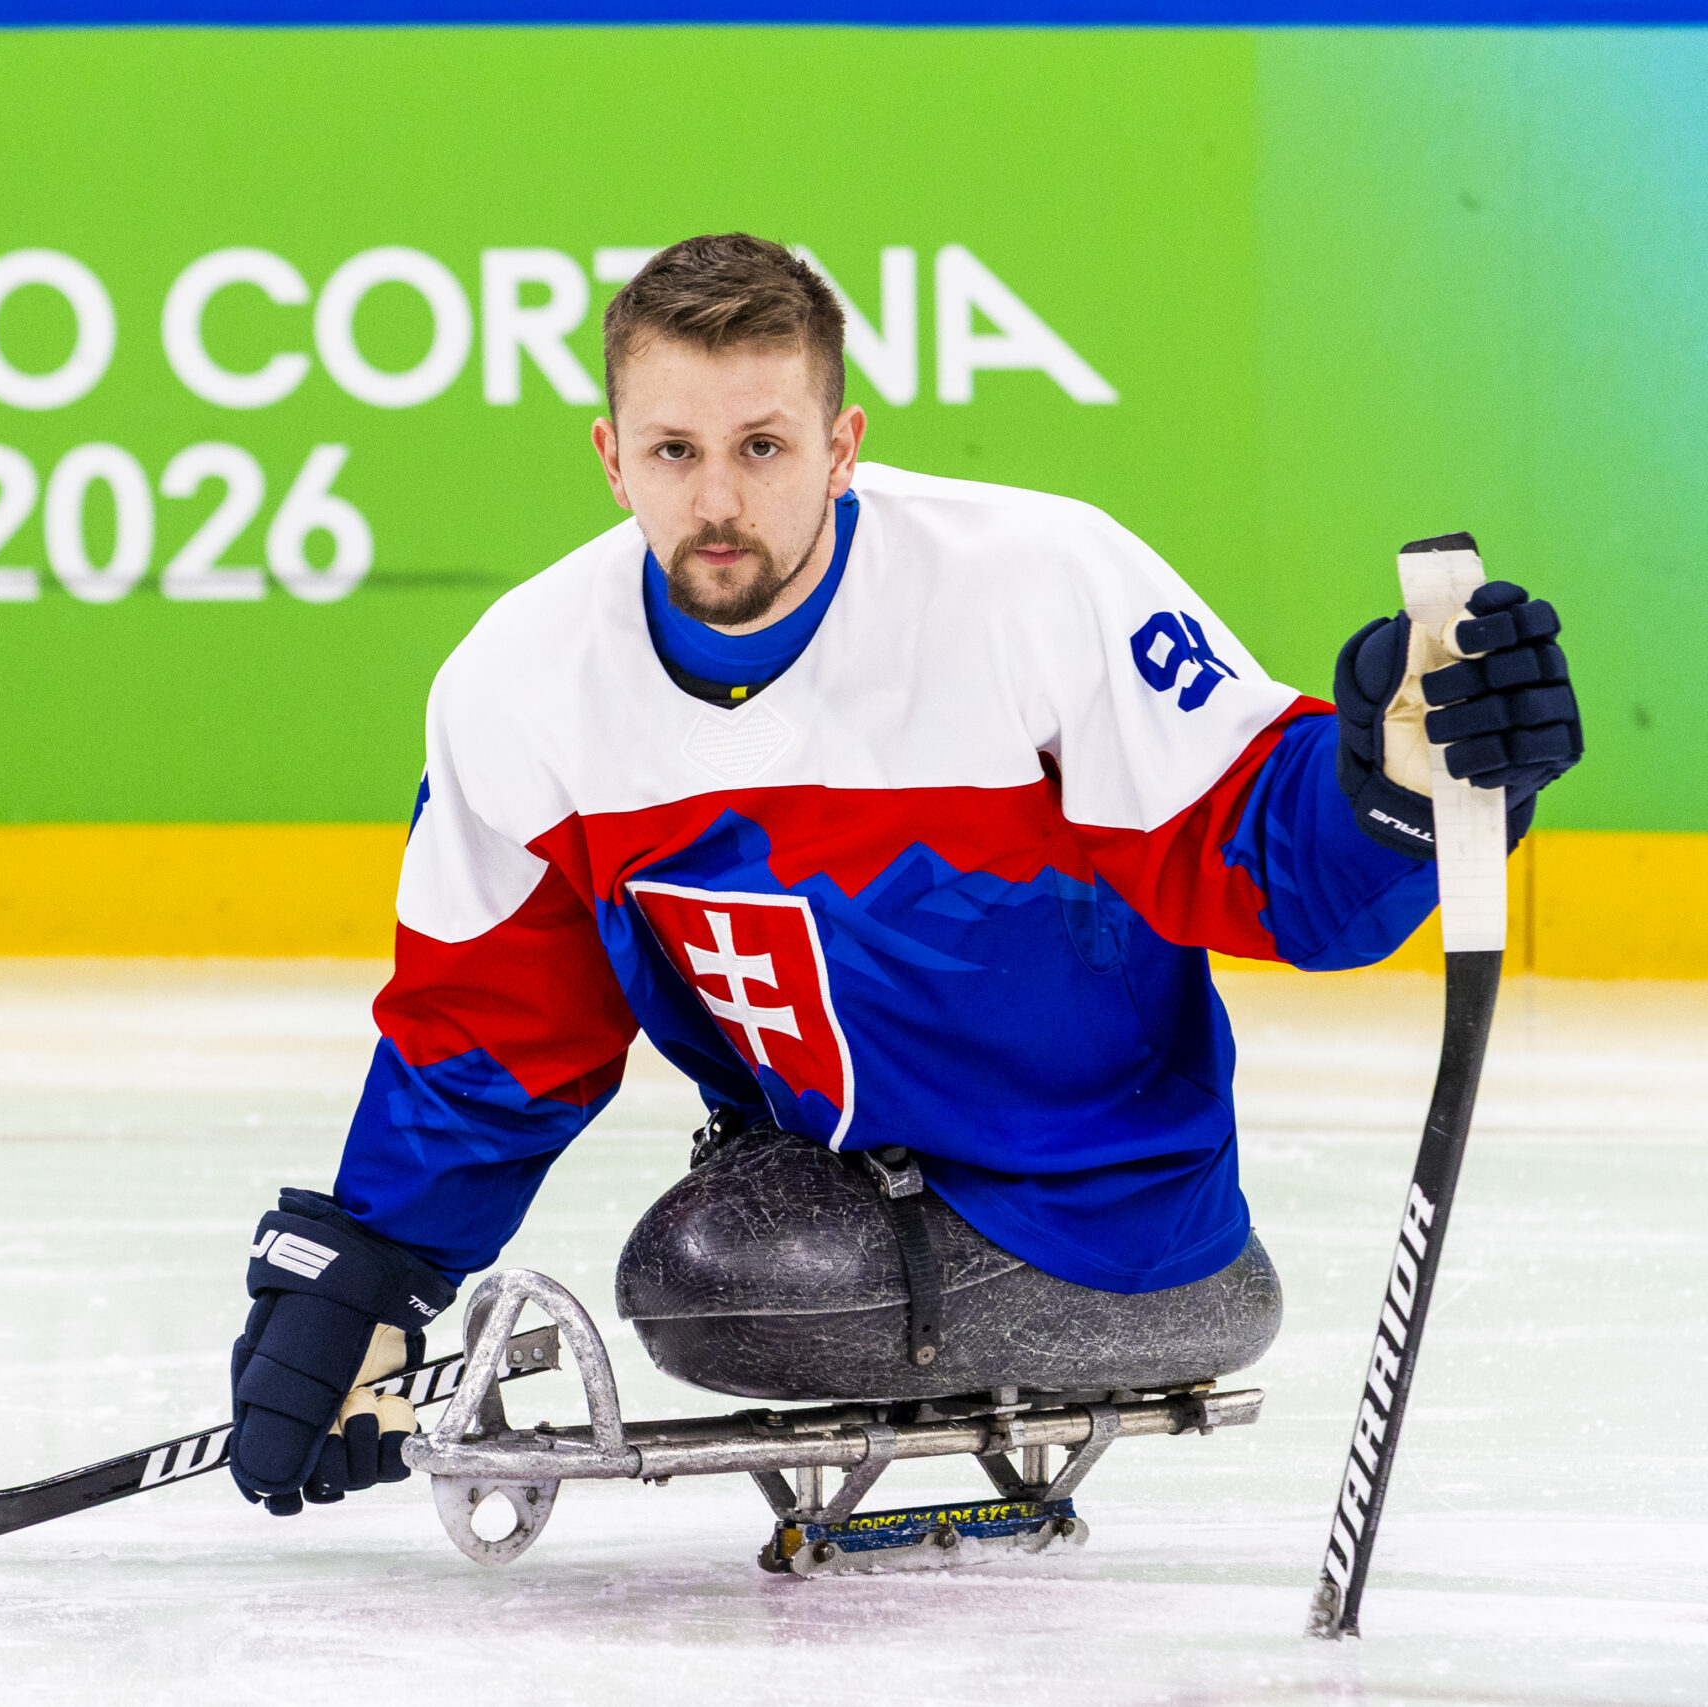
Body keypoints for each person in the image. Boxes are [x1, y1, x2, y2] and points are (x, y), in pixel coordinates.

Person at [224, 233, 1583, 1516]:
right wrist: (371, 1276)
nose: (717, 501)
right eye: (675, 450)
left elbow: (1275, 867)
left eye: (763, 447)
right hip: (825, 1187)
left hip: (1096, 1211)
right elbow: (494, 1027)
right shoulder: (519, 684)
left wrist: (1397, 786)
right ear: (611, 459)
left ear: (842, 449)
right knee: (721, 1261)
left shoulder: (1035, 584)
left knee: (712, 1275)